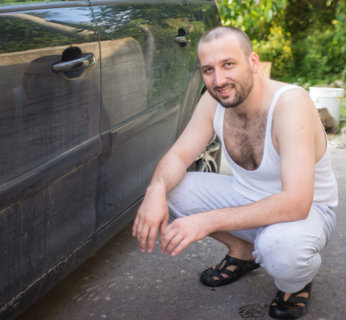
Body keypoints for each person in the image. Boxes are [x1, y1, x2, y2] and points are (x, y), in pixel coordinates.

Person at [132, 26, 338, 319]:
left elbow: (297, 201)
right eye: (208, 70)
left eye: (228, 65)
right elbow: (178, 156)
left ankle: (296, 283)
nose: (219, 80)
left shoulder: (290, 104)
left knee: (282, 250)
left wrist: (206, 221)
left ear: (253, 63)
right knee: (170, 189)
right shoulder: (212, 100)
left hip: (307, 212)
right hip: (247, 196)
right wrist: (154, 192)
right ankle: (242, 250)